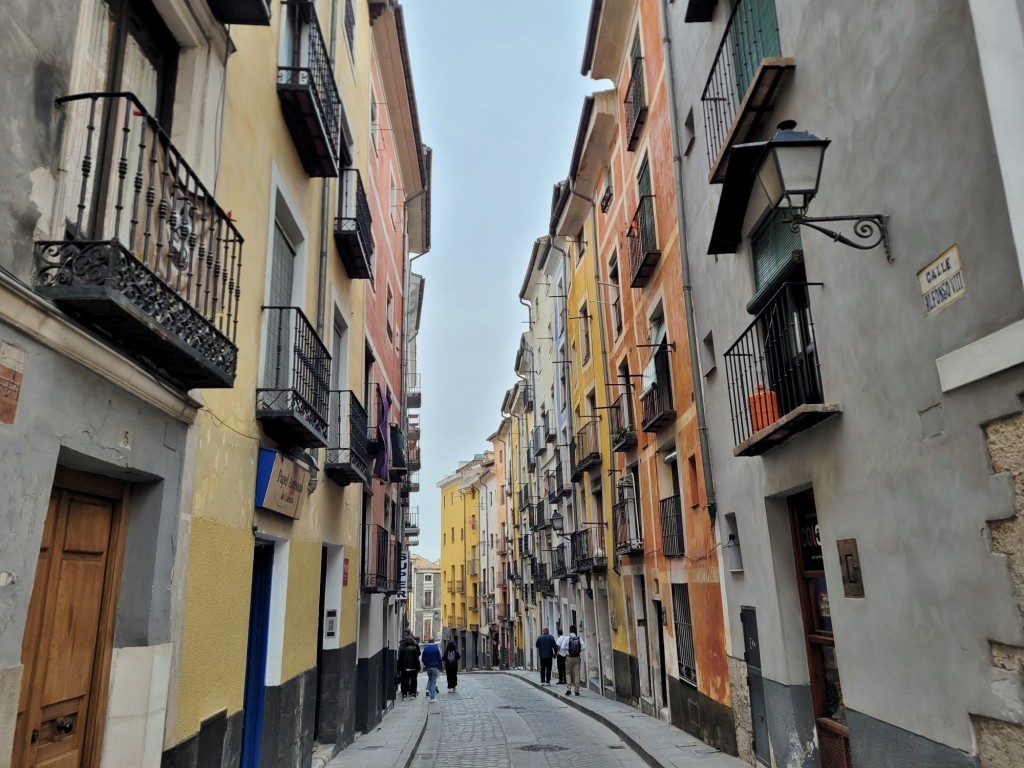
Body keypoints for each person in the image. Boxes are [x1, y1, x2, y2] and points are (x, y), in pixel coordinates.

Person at [559, 624, 586, 696]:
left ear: (570, 630)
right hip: (577, 658)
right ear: (575, 631)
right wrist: (578, 650)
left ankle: (568, 689)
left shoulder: (567, 638)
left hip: (569, 657)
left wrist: (567, 650)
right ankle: (577, 690)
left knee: (568, 673)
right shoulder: (579, 638)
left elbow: (562, 647)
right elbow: (584, 647)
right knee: (577, 673)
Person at [398, 634, 421, 700]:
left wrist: (399, 668)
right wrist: (418, 667)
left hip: (405, 668)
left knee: (405, 681)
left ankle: (404, 695)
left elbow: (400, 659)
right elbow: (418, 656)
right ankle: (413, 694)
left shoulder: (403, 648)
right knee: (414, 681)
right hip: (414, 668)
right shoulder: (415, 647)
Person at [421, 637, 443, 702]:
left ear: (428, 641)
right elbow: (439, 658)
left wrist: (426, 664)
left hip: (428, 667)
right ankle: (432, 697)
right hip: (435, 667)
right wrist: (440, 666)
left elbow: (423, 658)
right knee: (433, 681)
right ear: (433, 641)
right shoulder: (436, 648)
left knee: (430, 679)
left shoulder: (425, 648)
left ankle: (428, 689)